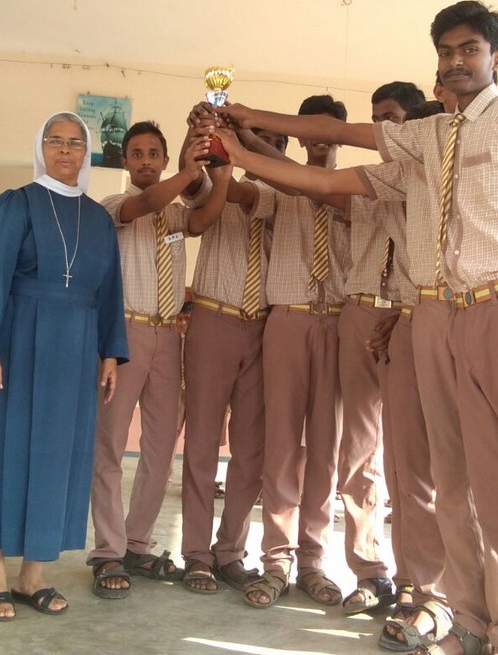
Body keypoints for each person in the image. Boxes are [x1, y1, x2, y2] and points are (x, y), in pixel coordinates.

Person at [197, 0, 498, 654]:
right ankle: (480, 624)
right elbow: (318, 164)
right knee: (471, 485)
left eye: (470, 50)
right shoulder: (427, 140)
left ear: (497, 56)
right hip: (443, 314)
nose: (456, 63)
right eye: (446, 52)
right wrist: (244, 123)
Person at [0, 111, 128, 622]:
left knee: (56, 457)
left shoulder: (97, 219)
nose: (65, 151)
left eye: (75, 143)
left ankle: (35, 575)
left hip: (75, 352)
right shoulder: (16, 205)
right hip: (16, 343)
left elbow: (110, 291)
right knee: (4, 448)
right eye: (56, 141)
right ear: (41, 148)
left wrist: (110, 351)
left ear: (86, 152)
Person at [88, 121, 230, 599]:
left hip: (170, 335)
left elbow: (204, 218)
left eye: (155, 154)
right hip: (122, 335)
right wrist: (189, 171)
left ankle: (136, 543)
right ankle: (106, 551)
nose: (146, 161)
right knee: (108, 446)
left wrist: (214, 169)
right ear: (126, 162)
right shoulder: (113, 207)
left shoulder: (176, 215)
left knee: (161, 447)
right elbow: (145, 204)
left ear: (164, 160)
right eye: (138, 154)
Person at [238, 95, 352, 610]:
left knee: (327, 449)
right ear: (302, 135)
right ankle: (277, 561)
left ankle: (314, 561)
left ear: (342, 133)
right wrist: (231, 136)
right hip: (287, 319)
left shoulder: (360, 187)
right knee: (281, 444)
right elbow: (244, 196)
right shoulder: (276, 187)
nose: (321, 138)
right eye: (313, 129)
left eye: (332, 129)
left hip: (339, 323)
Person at [336, 81, 427, 616]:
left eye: (391, 119)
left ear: (415, 123)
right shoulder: (369, 178)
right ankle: (369, 571)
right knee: (360, 451)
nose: (382, 130)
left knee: (413, 458)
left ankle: (418, 577)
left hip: (413, 315)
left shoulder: (433, 176)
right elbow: (317, 186)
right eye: (376, 120)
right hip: (360, 311)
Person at [178, 119, 279, 595]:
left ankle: (231, 552)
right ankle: (197, 554)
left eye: (276, 144)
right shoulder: (215, 180)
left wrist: (234, 165)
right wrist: (202, 139)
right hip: (213, 320)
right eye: (257, 140)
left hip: (264, 328)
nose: (267, 150)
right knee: (200, 442)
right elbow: (197, 188)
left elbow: (245, 194)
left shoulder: (285, 196)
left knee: (251, 450)